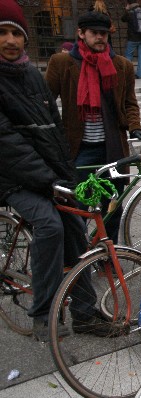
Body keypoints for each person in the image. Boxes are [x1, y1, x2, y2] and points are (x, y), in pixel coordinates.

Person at [0, 0, 119, 342]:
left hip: (49, 174)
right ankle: (43, 313)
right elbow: (9, 146)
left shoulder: (31, 76)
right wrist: (50, 181)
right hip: (12, 180)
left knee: (75, 227)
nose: (11, 41)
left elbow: (53, 131)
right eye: (3, 33)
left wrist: (64, 177)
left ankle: (84, 314)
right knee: (50, 226)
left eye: (16, 33)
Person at [46, 11, 141, 243]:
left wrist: (135, 127)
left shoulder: (121, 66)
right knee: (79, 205)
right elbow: (45, 102)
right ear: (81, 33)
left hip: (112, 148)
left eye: (104, 34)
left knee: (113, 206)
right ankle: (77, 255)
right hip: (80, 149)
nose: (100, 38)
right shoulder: (63, 63)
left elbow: (130, 103)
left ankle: (107, 255)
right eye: (94, 33)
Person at [121, 0, 141, 79]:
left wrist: (126, 9)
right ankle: (140, 74)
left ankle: (128, 74)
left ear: (129, 4)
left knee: (128, 55)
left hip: (132, 38)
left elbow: (123, 19)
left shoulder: (130, 13)